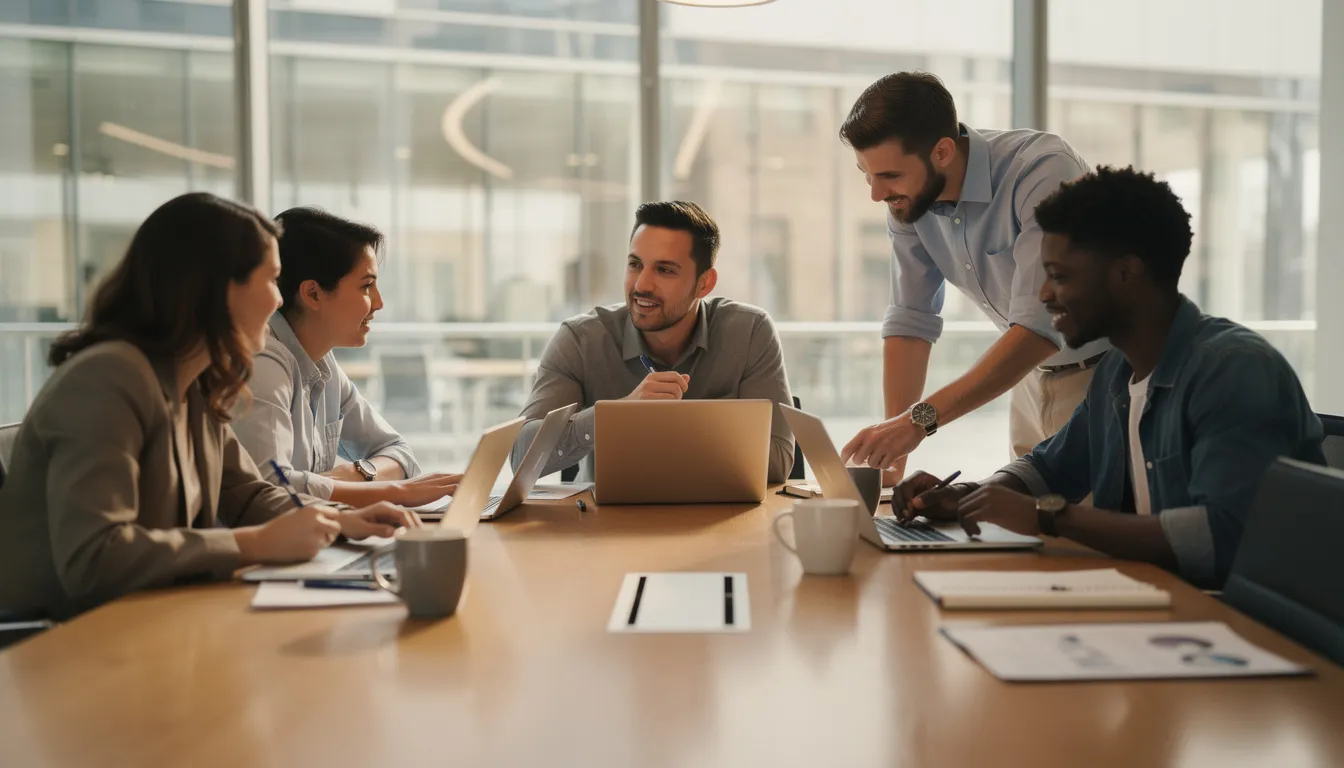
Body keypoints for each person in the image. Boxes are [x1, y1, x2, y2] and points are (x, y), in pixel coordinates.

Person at [894, 167, 1325, 588]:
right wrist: (973, 497)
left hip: (1253, 628)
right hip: (1154, 601)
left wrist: (1049, 515)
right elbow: (1048, 468)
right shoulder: (1118, 371)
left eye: (1058, 277)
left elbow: (1218, 538)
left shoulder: (1234, 371)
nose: (1042, 295)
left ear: (1125, 274)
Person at [0, 193, 418, 619]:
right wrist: (251, 545)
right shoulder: (107, 379)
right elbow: (94, 558)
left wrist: (339, 519)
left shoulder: (194, 382)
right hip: (60, 646)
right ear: (218, 289)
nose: (279, 300)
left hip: (148, 622)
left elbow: (246, 492)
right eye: (272, 280)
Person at [838, 71, 1105, 481]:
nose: (876, 194)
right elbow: (911, 322)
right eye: (866, 175)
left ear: (942, 151)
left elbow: (1039, 327)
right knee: (1027, 533)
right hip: (1030, 382)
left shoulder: (1041, 170)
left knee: (1093, 536)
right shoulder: (909, 202)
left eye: (889, 176)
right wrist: (892, 458)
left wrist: (918, 421)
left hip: (1109, 377)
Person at [513, 201, 795, 482]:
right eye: (635, 265)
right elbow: (521, 457)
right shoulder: (581, 340)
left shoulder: (749, 333)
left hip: (720, 521)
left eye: (664, 270)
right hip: (607, 523)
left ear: (705, 283)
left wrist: (683, 425)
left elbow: (779, 459)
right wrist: (617, 416)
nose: (642, 285)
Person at [230, 207, 460, 508]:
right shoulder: (265, 363)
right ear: (313, 294)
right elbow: (271, 488)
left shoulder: (322, 364)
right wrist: (393, 491)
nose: (379, 302)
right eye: (366, 286)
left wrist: (351, 475)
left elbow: (398, 452)